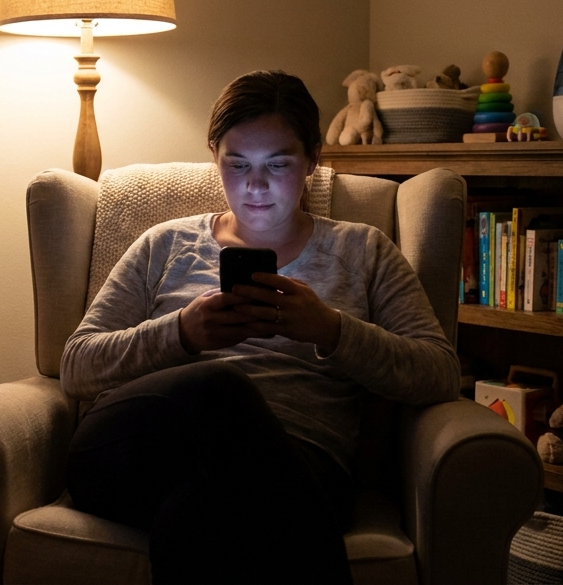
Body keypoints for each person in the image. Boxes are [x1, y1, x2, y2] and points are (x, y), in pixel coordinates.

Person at [60, 70, 460, 584]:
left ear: (313, 159)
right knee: (217, 386)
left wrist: (331, 331)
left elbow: (438, 372)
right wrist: (180, 333)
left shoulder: (363, 250)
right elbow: (77, 366)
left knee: (191, 517)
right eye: (237, 164)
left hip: (301, 460)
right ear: (215, 156)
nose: (255, 185)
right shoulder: (165, 244)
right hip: (132, 452)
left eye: (278, 164)